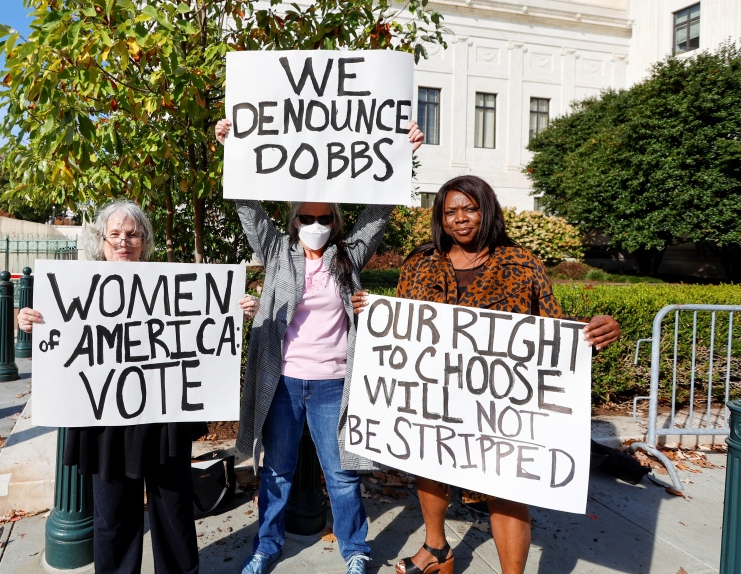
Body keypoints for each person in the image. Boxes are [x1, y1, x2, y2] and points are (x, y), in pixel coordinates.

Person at [351, 175, 621, 574]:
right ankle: (437, 551)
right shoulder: (420, 262)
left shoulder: (522, 263)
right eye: (450, 212)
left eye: (469, 208)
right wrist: (373, 311)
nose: (460, 219)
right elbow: (405, 326)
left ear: (486, 209)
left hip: (497, 406)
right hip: (433, 395)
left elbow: (553, 331)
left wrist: (595, 334)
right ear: (441, 219)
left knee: (506, 489)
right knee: (428, 466)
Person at [217, 118, 425, 574]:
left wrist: (401, 153)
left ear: (335, 221)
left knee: (343, 476)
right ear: (294, 220)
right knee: (275, 473)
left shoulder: (348, 254)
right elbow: (248, 208)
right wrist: (233, 148)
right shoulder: (277, 253)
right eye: (306, 217)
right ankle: (266, 547)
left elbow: (381, 210)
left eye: (324, 217)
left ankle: (355, 551)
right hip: (285, 381)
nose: (315, 224)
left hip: (335, 384)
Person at [18, 200, 200, 574]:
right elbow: (61, 341)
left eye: (132, 234)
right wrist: (30, 321)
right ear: (100, 241)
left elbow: (203, 325)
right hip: (106, 426)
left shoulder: (171, 285)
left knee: (174, 512)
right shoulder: (77, 289)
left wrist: (235, 309)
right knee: (114, 517)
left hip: (164, 419)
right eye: (114, 234)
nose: (123, 242)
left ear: (144, 241)